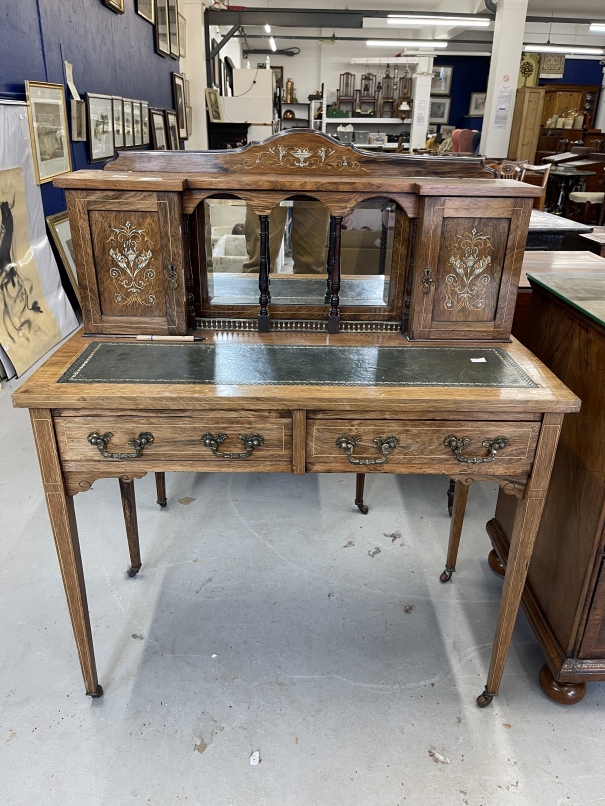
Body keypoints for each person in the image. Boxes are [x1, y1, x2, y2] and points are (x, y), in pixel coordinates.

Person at [243, 200, 330, 274]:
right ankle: (255, 292)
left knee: (311, 266)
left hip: (315, 183)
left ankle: (307, 292)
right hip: (266, 183)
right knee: (259, 263)